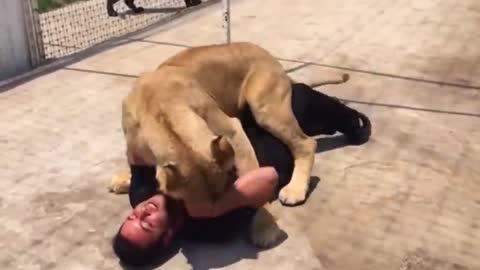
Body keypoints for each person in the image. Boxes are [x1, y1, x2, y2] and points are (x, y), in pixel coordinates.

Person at [112, 82, 372, 266]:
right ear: (168, 236)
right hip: (270, 153)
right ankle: (350, 121)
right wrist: (215, 206)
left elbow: (135, 150)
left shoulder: (141, 194)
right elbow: (267, 178)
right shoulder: (209, 228)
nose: (142, 211)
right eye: (146, 224)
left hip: (236, 132)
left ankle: (321, 121)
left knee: (264, 101)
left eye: (133, 216)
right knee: (298, 98)